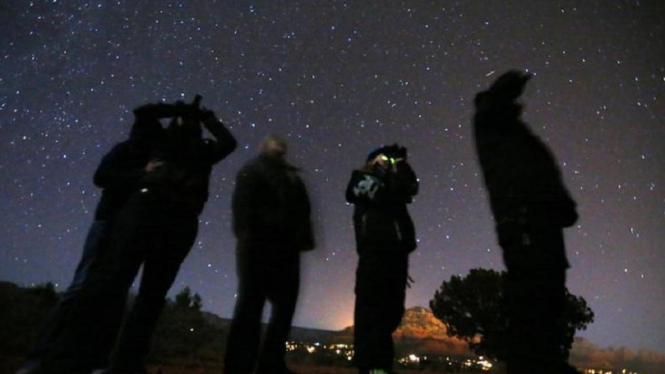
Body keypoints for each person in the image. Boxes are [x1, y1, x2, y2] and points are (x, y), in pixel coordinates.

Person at [40, 96, 237, 374]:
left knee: (139, 292)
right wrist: (195, 113)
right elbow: (143, 114)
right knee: (127, 288)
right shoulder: (172, 142)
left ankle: (113, 363)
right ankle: (91, 360)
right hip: (157, 215)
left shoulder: (189, 146)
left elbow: (147, 115)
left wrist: (193, 114)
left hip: (165, 217)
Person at [15, 104, 166, 374]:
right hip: (107, 223)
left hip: (128, 229)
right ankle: (39, 357)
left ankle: (93, 358)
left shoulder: (153, 154)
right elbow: (102, 177)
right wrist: (142, 174)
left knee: (110, 293)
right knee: (80, 286)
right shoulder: (125, 151)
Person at [472, 70, 579, 374]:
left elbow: (539, 171)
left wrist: (561, 205)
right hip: (525, 222)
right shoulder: (491, 126)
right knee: (533, 296)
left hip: (541, 222)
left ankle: (544, 361)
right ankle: (531, 364)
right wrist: (505, 88)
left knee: (548, 297)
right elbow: (530, 171)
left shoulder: (513, 133)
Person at [224, 135, 315, 374]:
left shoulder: (292, 176)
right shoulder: (253, 169)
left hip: (287, 249)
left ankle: (271, 363)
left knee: (284, 310)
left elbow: (303, 211)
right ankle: (238, 365)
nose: (281, 144)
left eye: (282, 142)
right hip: (259, 246)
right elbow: (242, 205)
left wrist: (303, 240)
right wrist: (247, 235)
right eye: (275, 141)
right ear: (264, 146)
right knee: (250, 306)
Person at [345, 144, 418, 374]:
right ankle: (370, 367)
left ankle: (381, 366)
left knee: (391, 314)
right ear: (372, 161)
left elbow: (411, 187)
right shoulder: (362, 180)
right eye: (385, 158)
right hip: (374, 254)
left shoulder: (395, 184)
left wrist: (401, 164)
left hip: (397, 257)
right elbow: (385, 194)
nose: (389, 162)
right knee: (371, 315)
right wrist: (388, 171)